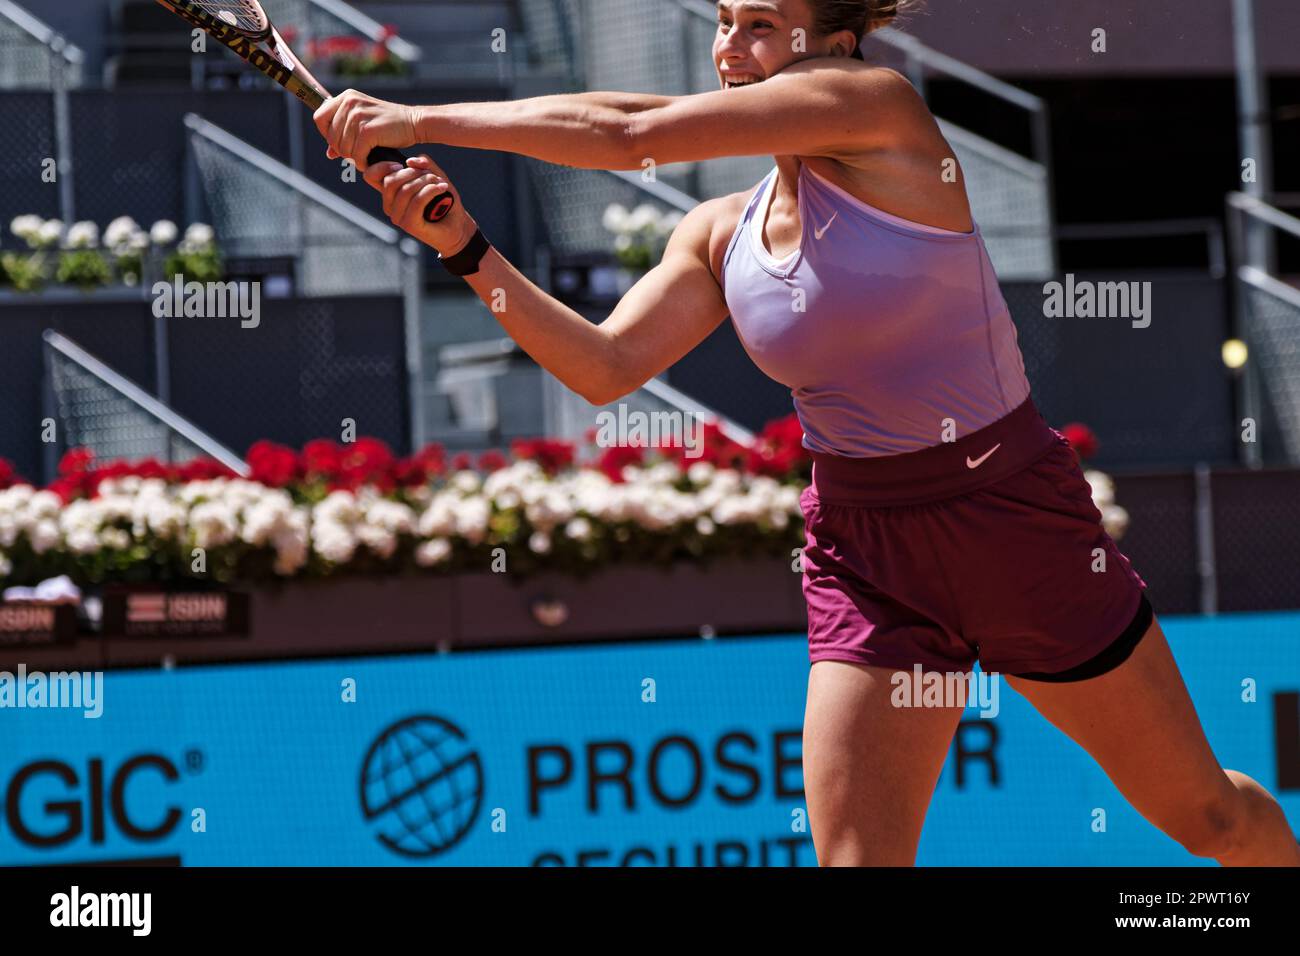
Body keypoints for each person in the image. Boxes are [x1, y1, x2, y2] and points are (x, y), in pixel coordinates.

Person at [314, 0, 1300, 866]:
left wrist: (415, 115)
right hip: (865, 551)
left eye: (759, 25)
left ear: (831, 45)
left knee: (1206, 818)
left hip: (1013, 522)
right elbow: (602, 367)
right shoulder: (715, 233)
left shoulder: (879, 108)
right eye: (723, 22)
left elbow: (633, 129)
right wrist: (467, 249)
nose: (731, 46)